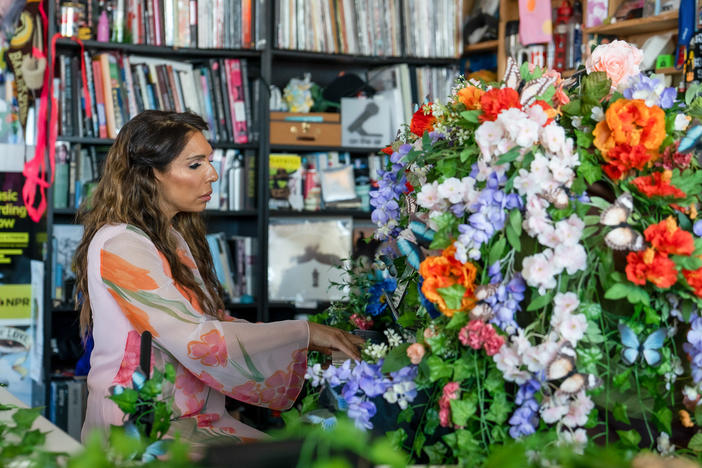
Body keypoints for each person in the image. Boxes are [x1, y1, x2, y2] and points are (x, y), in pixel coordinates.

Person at [73, 110, 364, 445]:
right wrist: (303, 332)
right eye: (195, 164)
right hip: (141, 426)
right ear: (151, 174)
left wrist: (309, 343)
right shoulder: (121, 244)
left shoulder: (170, 238)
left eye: (210, 161)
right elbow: (198, 340)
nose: (212, 174)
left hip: (188, 417)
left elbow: (213, 322)